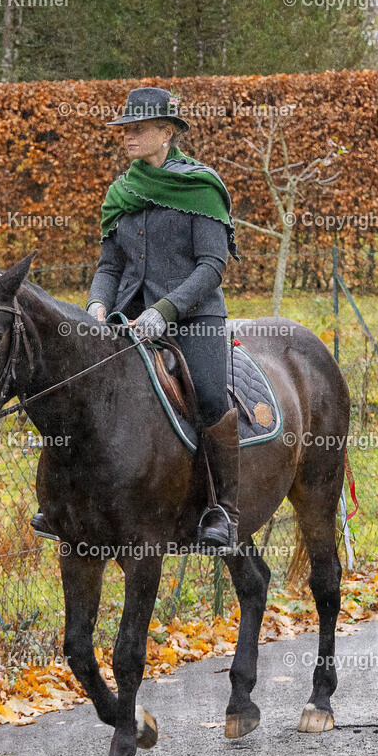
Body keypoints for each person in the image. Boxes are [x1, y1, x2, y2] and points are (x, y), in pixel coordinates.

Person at [85, 86, 241, 552]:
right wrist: (96, 307)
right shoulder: (122, 191)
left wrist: (164, 312)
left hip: (194, 317)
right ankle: (77, 499)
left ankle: (222, 511)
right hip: (127, 320)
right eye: (125, 130)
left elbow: (211, 267)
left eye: (138, 129)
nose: (128, 137)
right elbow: (109, 266)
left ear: (167, 132)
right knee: (89, 392)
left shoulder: (201, 186)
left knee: (211, 396)